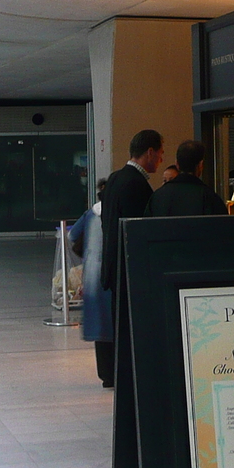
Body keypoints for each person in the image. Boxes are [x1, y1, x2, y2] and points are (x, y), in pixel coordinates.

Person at [97, 129, 164, 387]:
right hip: (129, 270)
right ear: (149, 152)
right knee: (131, 329)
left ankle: (121, 375)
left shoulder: (115, 179)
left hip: (113, 267)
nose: (160, 158)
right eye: (159, 153)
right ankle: (132, 378)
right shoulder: (136, 184)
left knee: (120, 326)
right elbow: (139, 232)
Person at [70, 177, 111, 374]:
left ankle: (104, 373)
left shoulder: (91, 213)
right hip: (111, 274)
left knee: (99, 326)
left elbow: (72, 235)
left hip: (92, 276)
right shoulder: (116, 212)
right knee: (114, 324)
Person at [144, 140, 226, 216]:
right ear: (200, 165)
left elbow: (146, 228)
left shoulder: (158, 196)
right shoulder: (210, 198)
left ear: (177, 164)